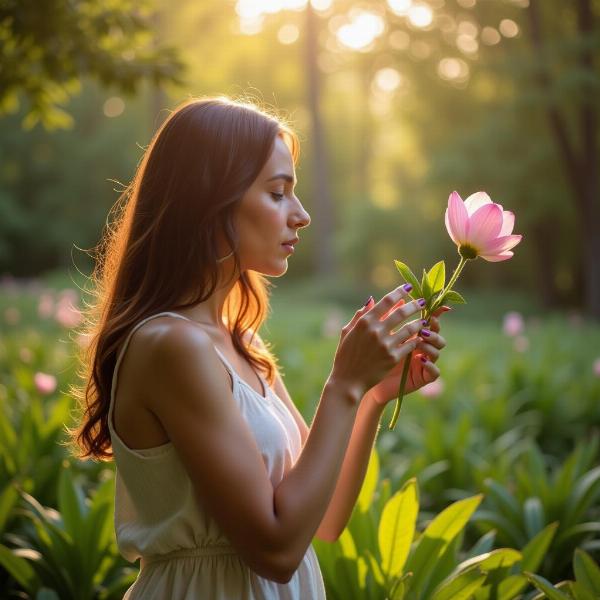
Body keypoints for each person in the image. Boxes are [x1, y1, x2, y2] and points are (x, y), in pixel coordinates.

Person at [69, 96, 448, 599]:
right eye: (278, 193)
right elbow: (274, 551)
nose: (302, 215)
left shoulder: (239, 343)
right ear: (209, 200)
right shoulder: (170, 345)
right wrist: (343, 384)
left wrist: (371, 395)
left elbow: (323, 520)